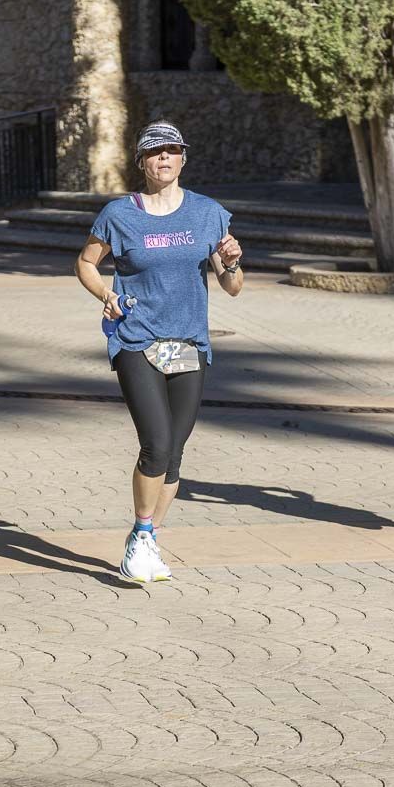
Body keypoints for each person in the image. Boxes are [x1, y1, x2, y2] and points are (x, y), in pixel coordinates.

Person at [74, 119, 244, 582]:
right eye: (155, 152)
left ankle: (146, 539)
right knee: (157, 444)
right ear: (142, 163)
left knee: (175, 452)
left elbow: (232, 287)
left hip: (189, 340)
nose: (164, 159)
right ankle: (142, 531)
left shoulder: (209, 213)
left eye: (172, 151)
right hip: (135, 337)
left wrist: (231, 263)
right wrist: (104, 294)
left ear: (183, 159)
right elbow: (86, 263)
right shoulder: (119, 214)